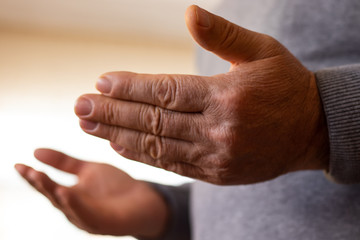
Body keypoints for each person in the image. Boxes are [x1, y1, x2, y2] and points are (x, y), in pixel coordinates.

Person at [16, 1, 360, 240]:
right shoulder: (229, 11)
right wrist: (169, 211)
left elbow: (295, 130)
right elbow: (263, 175)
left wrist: (319, 123)